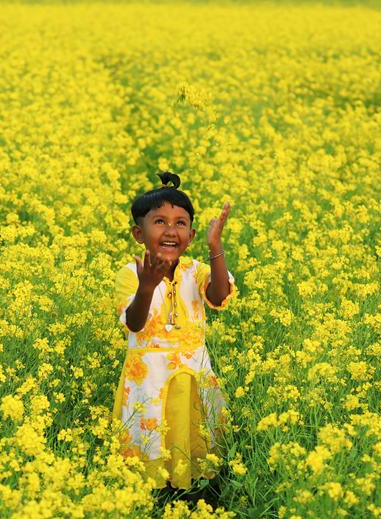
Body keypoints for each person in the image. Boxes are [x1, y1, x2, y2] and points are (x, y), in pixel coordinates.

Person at [111, 170, 238, 501]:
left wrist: (215, 246)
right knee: (152, 440)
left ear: (192, 234)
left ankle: (196, 499)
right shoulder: (130, 275)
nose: (171, 230)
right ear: (139, 233)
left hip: (193, 375)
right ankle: (156, 501)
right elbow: (134, 323)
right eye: (160, 222)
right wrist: (148, 284)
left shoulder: (197, 271)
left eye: (180, 223)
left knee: (196, 443)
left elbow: (220, 295)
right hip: (148, 381)